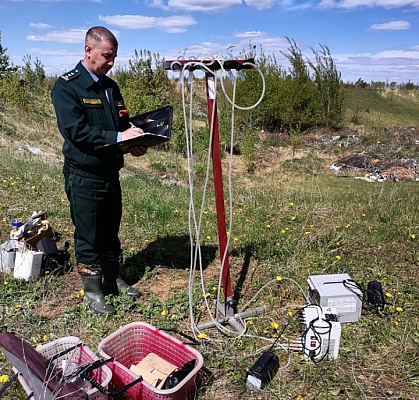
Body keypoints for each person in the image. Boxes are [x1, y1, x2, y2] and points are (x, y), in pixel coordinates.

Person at [51, 26, 147, 315]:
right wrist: (120, 139)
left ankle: (114, 279)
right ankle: (93, 292)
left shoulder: (110, 86)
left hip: (110, 172)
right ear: (88, 50)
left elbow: (121, 122)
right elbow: (76, 132)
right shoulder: (67, 87)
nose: (111, 62)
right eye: (107, 56)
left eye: (114, 57)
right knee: (88, 233)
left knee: (110, 231)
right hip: (84, 174)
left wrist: (135, 139)